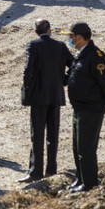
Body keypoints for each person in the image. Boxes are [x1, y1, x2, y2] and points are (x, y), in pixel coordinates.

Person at [20, 19, 74, 183]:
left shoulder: (33, 45)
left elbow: (28, 69)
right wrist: (62, 81)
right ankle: (51, 169)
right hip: (55, 94)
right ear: (49, 29)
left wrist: (27, 88)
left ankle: (36, 171)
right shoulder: (60, 46)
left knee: (37, 134)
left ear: (36, 31)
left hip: (38, 95)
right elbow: (74, 65)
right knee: (53, 133)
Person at [65, 22, 105, 193]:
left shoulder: (95, 56)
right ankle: (80, 179)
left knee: (86, 148)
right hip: (79, 107)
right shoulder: (80, 54)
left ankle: (89, 183)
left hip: (91, 108)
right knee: (77, 147)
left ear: (79, 37)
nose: (70, 39)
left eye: (71, 36)